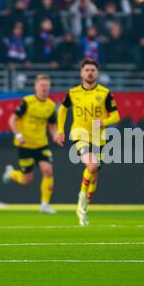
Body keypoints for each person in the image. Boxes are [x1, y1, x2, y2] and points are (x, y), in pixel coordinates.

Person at [54, 59, 120, 226]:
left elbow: (116, 115)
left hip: (99, 138)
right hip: (80, 134)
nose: (90, 72)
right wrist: (60, 130)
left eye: (93, 70)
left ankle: (84, 208)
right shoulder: (73, 92)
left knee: (94, 174)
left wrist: (104, 122)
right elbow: (62, 110)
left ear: (97, 73)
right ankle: (81, 201)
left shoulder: (105, 93)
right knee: (91, 166)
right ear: (81, 73)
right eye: (87, 70)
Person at [2, 75, 58, 214]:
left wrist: (56, 135)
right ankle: (11, 173)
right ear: (36, 87)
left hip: (41, 145)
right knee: (27, 180)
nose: (44, 88)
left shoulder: (51, 105)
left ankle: (45, 205)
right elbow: (12, 120)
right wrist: (18, 135)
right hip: (25, 145)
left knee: (48, 171)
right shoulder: (27, 102)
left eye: (46, 86)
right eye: (42, 85)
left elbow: (52, 124)